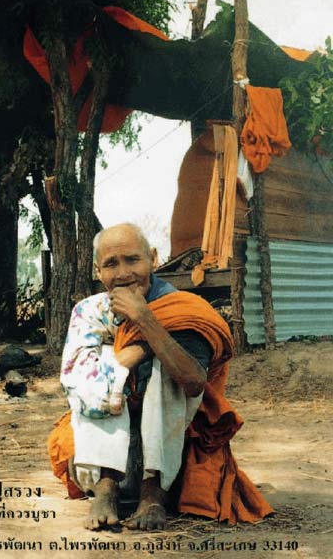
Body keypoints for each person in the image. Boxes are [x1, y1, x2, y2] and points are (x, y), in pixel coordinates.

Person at [49, 222, 273, 531]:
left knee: (164, 368)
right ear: (97, 271)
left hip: (170, 450)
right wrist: (125, 360)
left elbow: (194, 383)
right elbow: (77, 382)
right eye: (111, 264)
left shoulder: (184, 309)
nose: (124, 273)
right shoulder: (89, 312)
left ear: (153, 259)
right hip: (105, 447)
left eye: (132, 259)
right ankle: (105, 489)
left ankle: (152, 495)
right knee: (99, 365)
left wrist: (144, 322)